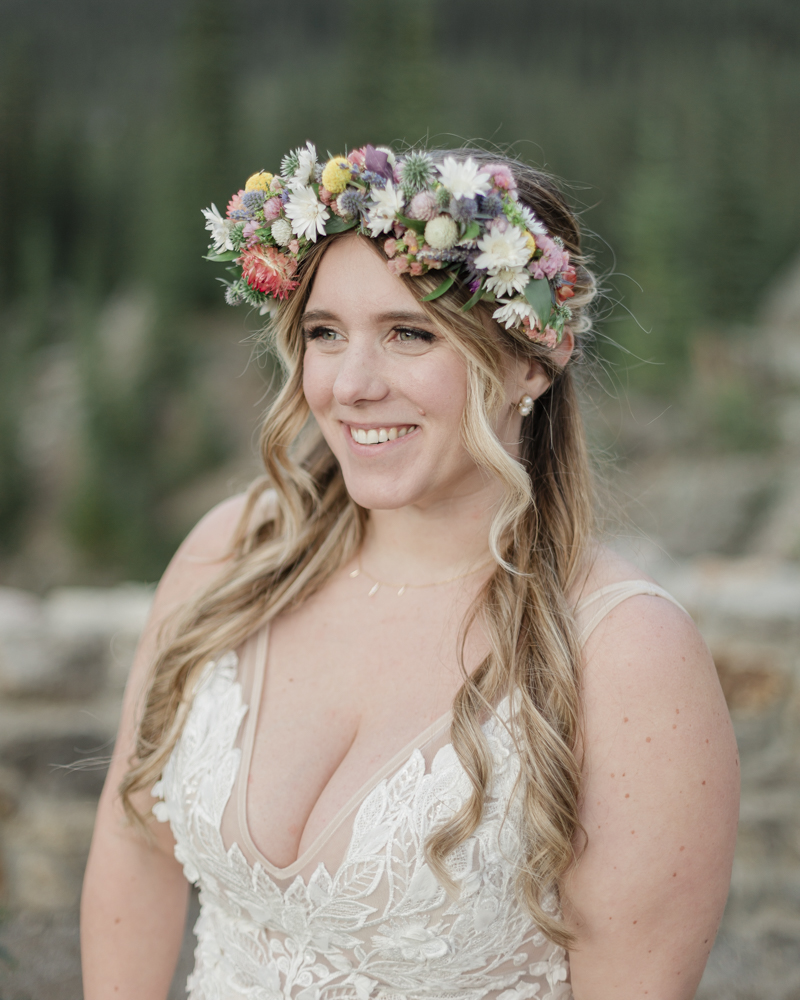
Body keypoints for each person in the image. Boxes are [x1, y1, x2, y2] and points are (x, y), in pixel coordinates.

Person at [81, 143, 739, 1000]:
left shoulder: (625, 652)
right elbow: (135, 847)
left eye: (409, 333)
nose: (351, 385)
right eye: (325, 334)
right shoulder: (230, 557)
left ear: (531, 360)